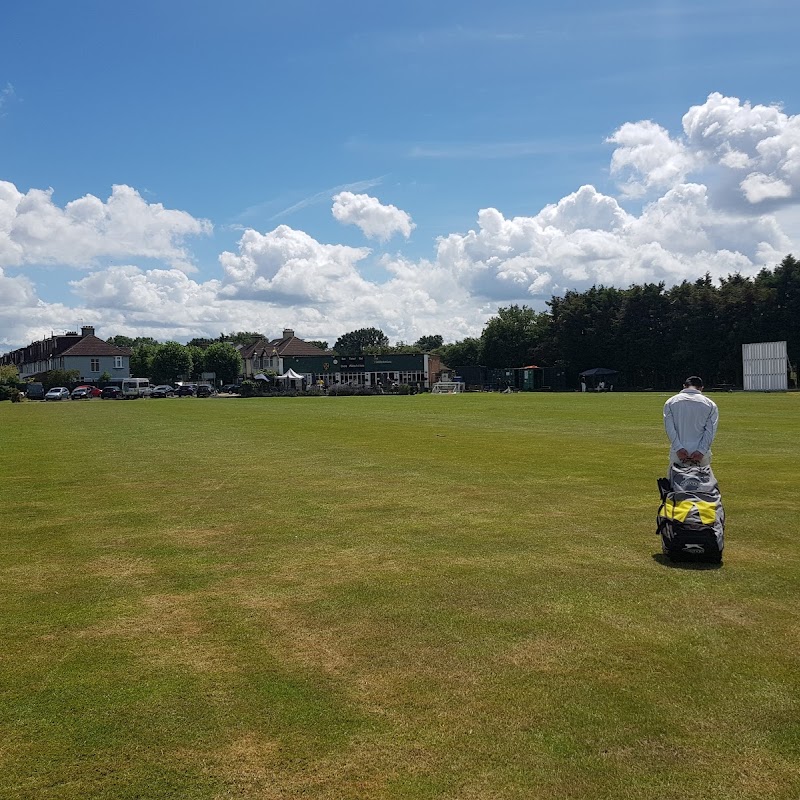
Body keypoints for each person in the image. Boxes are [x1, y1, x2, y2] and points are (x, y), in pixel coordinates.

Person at [663, 376, 719, 467]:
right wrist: (701, 451)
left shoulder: (670, 402)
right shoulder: (710, 404)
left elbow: (669, 428)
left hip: (677, 454)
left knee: (676, 480)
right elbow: (710, 431)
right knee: (703, 481)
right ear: (701, 388)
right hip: (702, 456)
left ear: (684, 386)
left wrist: (678, 448)